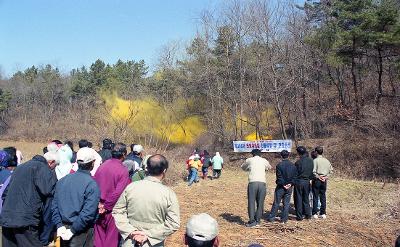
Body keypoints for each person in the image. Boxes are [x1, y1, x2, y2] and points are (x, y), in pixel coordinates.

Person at [112, 154, 180, 247]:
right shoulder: (168, 193)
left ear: (146, 168)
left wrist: (132, 232)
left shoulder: (131, 187)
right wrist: (149, 235)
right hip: (153, 244)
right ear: (164, 171)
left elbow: (117, 212)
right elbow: (173, 223)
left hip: (130, 242)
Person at [0, 152, 58, 247]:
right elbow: (49, 194)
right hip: (25, 221)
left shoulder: (19, 168)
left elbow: (5, 193)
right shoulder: (42, 169)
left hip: (7, 217)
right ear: (51, 162)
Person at [52, 147, 101, 247]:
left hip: (62, 229)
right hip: (81, 231)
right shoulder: (91, 184)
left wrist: (59, 225)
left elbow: (54, 206)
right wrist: (72, 230)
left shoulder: (62, 180)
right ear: (92, 163)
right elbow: (88, 213)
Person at [93, 143, 131, 247]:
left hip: (99, 206)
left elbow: (94, 185)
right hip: (112, 209)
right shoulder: (123, 170)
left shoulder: (103, 166)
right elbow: (118, 192)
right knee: (111, 239)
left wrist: (99, 203)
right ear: (123, 154)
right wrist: (106, 206)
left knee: (99, 237)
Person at [241, 149, 272, 227]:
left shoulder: (249, 160)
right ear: (260, 154)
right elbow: (269, 167)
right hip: (262, 183)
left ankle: (252, 221)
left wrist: (248, 168)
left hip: (253, 182)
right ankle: (258, 220)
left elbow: (243, 167)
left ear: (252, 154)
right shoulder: (264, 160)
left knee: (251, 202)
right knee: (260, 202)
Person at [267, 150, 297, 223]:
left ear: (281, 156)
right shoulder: (293, 165)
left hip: (280, 186)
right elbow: (295, 177)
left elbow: (279, 177)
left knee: (276, 202)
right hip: (289, 187)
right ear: (288, 155)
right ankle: (284, 219)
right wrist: (290, 184)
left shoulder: (279, 165)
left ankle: (272, 218)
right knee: (286, 203)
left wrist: (283, 185)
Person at [312, 146, 333, 219]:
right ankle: (323, 213)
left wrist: (318, 177)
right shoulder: (327, 161)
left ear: (316, 152)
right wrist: (326, 177)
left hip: (317, 180)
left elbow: (313, 171)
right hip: (324, 180)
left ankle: (314, 213)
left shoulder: (315, 160)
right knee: (323, 196)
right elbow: (331, 171)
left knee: (315, 196)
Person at [294, 146, 314, 221]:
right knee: (306, 198)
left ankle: (299, 216)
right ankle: (308, 215)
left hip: (299, 181)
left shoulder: (298, 162)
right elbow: (312, 172)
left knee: (298, 198)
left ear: (298, 153)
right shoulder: (311, 161)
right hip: (307, 181)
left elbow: (295, 173)